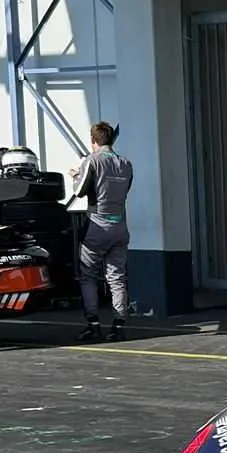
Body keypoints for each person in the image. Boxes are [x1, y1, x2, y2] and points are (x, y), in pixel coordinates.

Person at [72, 122, 134, 342]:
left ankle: (93, 325)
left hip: (96, 227)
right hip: (120, 227)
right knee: (117, 278)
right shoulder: (126, 164)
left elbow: (79, 192)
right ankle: (119, 326)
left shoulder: (92, 160)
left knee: (88, 276)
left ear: (93, 140)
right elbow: (125, 191)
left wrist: (76, 176)